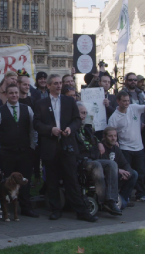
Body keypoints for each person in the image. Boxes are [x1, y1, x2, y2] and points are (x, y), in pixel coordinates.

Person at [33, 74, 97, 222]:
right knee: (52, 180)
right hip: (50, 147)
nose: (58, 85)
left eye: (60, 83)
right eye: (55, 83)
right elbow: (36, 124)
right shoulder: (41, 103)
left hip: (68, 145)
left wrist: (70, 129)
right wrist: (50, 130)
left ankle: (81, 211)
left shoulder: (69, 101)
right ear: (48, 85)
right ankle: (56, 209)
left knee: (72, 179)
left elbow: (76, 120)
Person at [0, 84, 40, 218]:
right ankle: (8, 209)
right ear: (6, 94)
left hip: (25, 151)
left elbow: (33, 129)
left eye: (16, 93)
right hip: (6, 152)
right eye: (11, 93)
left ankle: (26, 207)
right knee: (7, 181)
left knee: (25, 180)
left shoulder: (27, 109)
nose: (14, 95)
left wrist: (33, 145)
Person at [75, 102, 122, 215]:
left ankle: (111, 200)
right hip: (80, 161)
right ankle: (103, 200)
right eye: (82, 113)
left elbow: (94, 140)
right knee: (97, 165)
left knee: (112, 164)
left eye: (85, 113)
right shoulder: (73, 129)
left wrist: (100, 143)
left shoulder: (86, 129)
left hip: (91, 159)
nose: (84, 115)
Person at [107, 91, 145, 203]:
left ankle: (140, 195)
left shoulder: (134, 108)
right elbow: (110, 132)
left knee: (140, 173)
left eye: (128, 100)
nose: (127, 103)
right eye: (124, 101)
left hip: (139, 147)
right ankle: (124, 195)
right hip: (125, 148)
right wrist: (115, 142)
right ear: (118, 101)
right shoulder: (114, 117)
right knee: (128, 174)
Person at [99, 127, 139, 209]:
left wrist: (127, 173)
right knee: (122, 206)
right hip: (105, 179)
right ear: (104, 136)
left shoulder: (116, 148)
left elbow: (125, 163)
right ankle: (117, 202)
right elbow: (102, 167)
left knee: (134, 174)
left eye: (115, 136)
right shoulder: (100, 148)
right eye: (110, 136)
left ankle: (123, 198)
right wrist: (118, 170)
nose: (113, 138)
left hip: (116, 177)